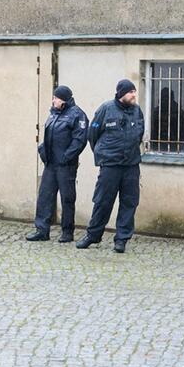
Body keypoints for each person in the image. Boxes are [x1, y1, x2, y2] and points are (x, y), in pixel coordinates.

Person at [77, 79, 145, 254]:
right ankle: (93, 235)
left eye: (134, 91)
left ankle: (121, 239)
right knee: (102, 201)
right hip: (110, 165)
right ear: (121, 93)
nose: (134, 95)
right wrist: (103, 154)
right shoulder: (106, 109)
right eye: (130, 92)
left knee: (129, 202)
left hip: (131, 165)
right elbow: (93, 134)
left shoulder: (137, 111)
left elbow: (139, 134)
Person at [27, 85, 88, 243]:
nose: (53, 100)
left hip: (65, 165)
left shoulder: (77, 115)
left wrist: (67, 157)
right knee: (44, 197)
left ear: (64, 99)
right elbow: (47, 136)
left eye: (56, 98)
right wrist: (42, 150)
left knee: (67, 198)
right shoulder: (53, 114)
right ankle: (42, 230)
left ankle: (67, 232)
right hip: (50, 164)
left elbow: (79, 140)